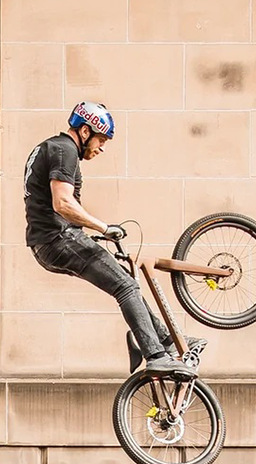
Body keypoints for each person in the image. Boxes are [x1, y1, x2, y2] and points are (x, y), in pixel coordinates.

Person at [23, 101, 203, 374]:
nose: (101, 147)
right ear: (85, 132)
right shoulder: (65, 151)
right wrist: (103, 228)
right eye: (101, 139)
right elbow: (63, 204)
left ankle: (161, 338)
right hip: (59, 238)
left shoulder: (53, 148)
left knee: (123, 281)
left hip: (50, 241)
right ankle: (155, 354)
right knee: (126, 287)